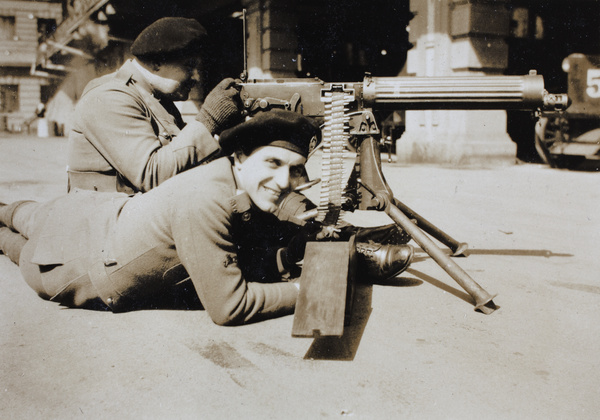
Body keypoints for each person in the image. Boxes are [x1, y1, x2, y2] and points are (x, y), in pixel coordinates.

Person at [0, 110, 413, 325]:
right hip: (70, 268)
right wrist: (317, 288)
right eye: (272, 162)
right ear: (239, 157)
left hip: (90, 213)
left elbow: (264, 213)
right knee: (12, 242)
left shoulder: (228, 176)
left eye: (295, 168)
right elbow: (231, 307)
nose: (284, 180)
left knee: (22, 213)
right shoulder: (205, 200)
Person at [67, 17, 244, 194]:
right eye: (189, 66)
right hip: (107, 218)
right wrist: (209, 119)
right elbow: (150, 175)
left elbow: (184, 162)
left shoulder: (156, 99)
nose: (197, 77)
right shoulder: (109, 98)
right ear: (156, 63)